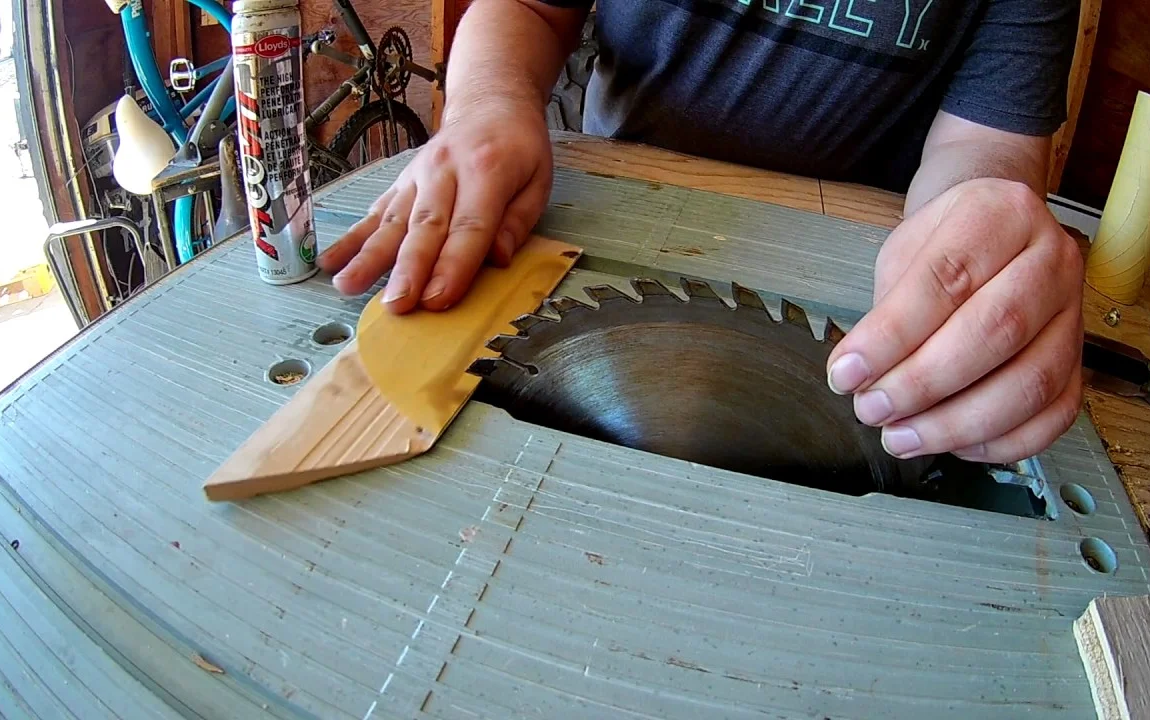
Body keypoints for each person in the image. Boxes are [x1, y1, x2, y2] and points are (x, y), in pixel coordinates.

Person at [319, 0, 1084, 465]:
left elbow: (983, 149)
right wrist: (487, 101)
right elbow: (528, 10)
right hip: (602, 217)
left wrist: (977, 231)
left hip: (855, 285)